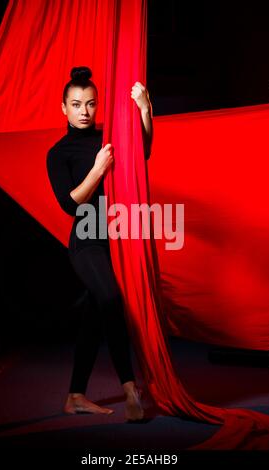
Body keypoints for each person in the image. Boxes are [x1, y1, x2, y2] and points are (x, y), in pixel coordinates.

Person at [46, 66, 153, 420]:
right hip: (86, 241)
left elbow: (144, 152)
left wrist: (144, 110)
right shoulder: (58, 153)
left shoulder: (108, 136)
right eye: (76, 104)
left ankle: (75, 395)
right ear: (64, 107)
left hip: (117, 239)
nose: (84, 111)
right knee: (109, 298)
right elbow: (69, 203)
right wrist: (97, 170)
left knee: (95, 314)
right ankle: (129, 389)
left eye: (90, 104)